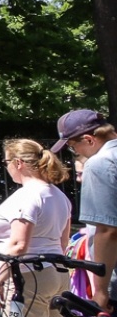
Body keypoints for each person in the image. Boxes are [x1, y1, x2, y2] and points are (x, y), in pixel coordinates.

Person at [0, 137, 73, 317]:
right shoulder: (59, 196)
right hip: (56, 273)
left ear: (18, 163)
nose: (7, 168)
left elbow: (18, 245)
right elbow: (62, 242)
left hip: (27, 276)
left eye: (6, 163)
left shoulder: (27, 196)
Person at [59, 110, 117, 306]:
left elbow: (108, 231)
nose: (77, 153)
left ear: (89, 140)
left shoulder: (100, 163)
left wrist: (100, 290)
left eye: (74, 148)